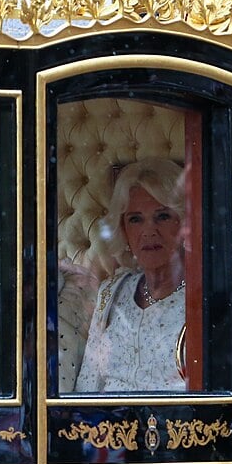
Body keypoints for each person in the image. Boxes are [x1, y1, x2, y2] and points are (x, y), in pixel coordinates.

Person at [76, 158, 187, 392]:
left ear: (184, 222)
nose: (149, 231)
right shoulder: (111, 291)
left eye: (162, 216)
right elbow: (87, 384)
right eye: (136, 219)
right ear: (123, 230)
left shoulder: (204, 297)